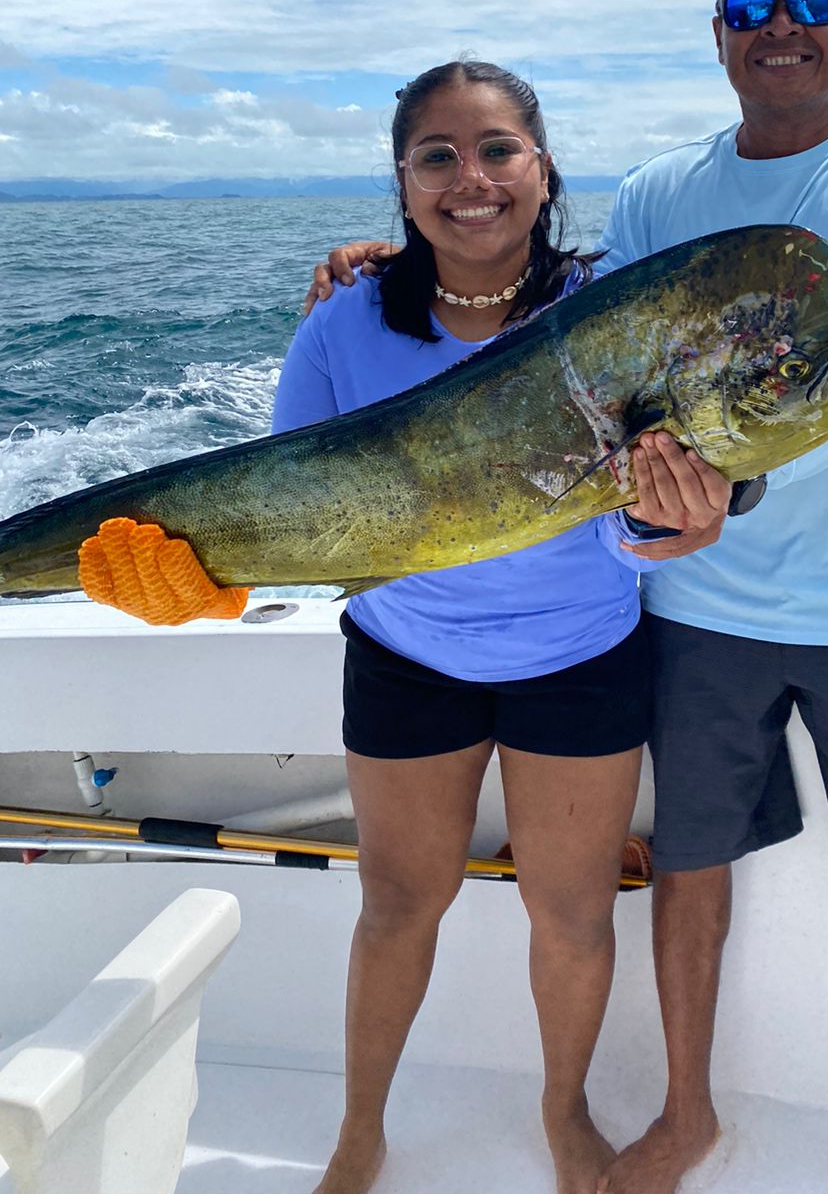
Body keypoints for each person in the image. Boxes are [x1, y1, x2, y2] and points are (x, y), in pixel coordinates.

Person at [311, 0, 828, 1194]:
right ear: (718, 34)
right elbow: (562, 339)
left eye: (813, 0)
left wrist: (730, 484)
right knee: (689, 863)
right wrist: (398, 261)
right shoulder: (658, 196)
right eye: (752, 5)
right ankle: (687, 1117)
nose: (781, 24)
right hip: (691, 595)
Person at [78, 59, 730, 1194]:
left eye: (497, 151)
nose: (469, 178)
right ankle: (361, 1130)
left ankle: (562, 1112)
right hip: (405, 659)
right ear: (402, 181)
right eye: (438, 155)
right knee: (395, 906)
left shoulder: (617, 309)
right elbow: (289, 495)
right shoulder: (344, 319)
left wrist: (694, 512)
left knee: (571, 916)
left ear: (543, 169)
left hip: (580, 657)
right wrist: (209, 577)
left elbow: (666, 489)